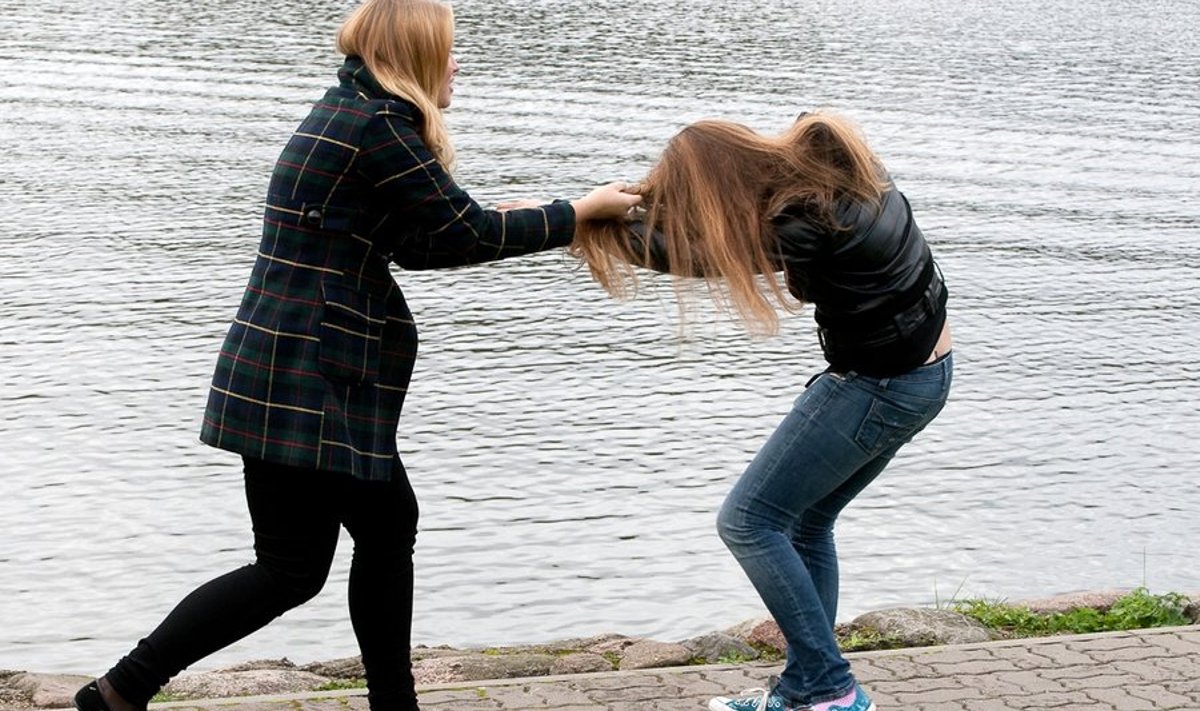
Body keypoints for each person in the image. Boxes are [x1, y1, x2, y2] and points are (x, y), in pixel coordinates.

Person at [71, 2, 640, 711]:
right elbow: (464, 231)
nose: (458, 63)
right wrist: (577, 211)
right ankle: (132, 687)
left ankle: (123, 690)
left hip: (287, 366)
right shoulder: (378, 128)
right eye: (450, 50)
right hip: (310, 376)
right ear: (417, 55)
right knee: (321, 553)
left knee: (319, 553)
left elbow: (417, 242)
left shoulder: (352, 111)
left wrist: (545, 220)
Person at [571, 111, 952, 711]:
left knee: (748, 521)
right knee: (805, 523)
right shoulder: (843, 172)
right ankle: (809, 689)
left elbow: (700, 256)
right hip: (923, 376)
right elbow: (719, 225)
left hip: (878, 387)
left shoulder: (805, 222)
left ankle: (831, 687)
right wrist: (633, 202)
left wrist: (575, 223)